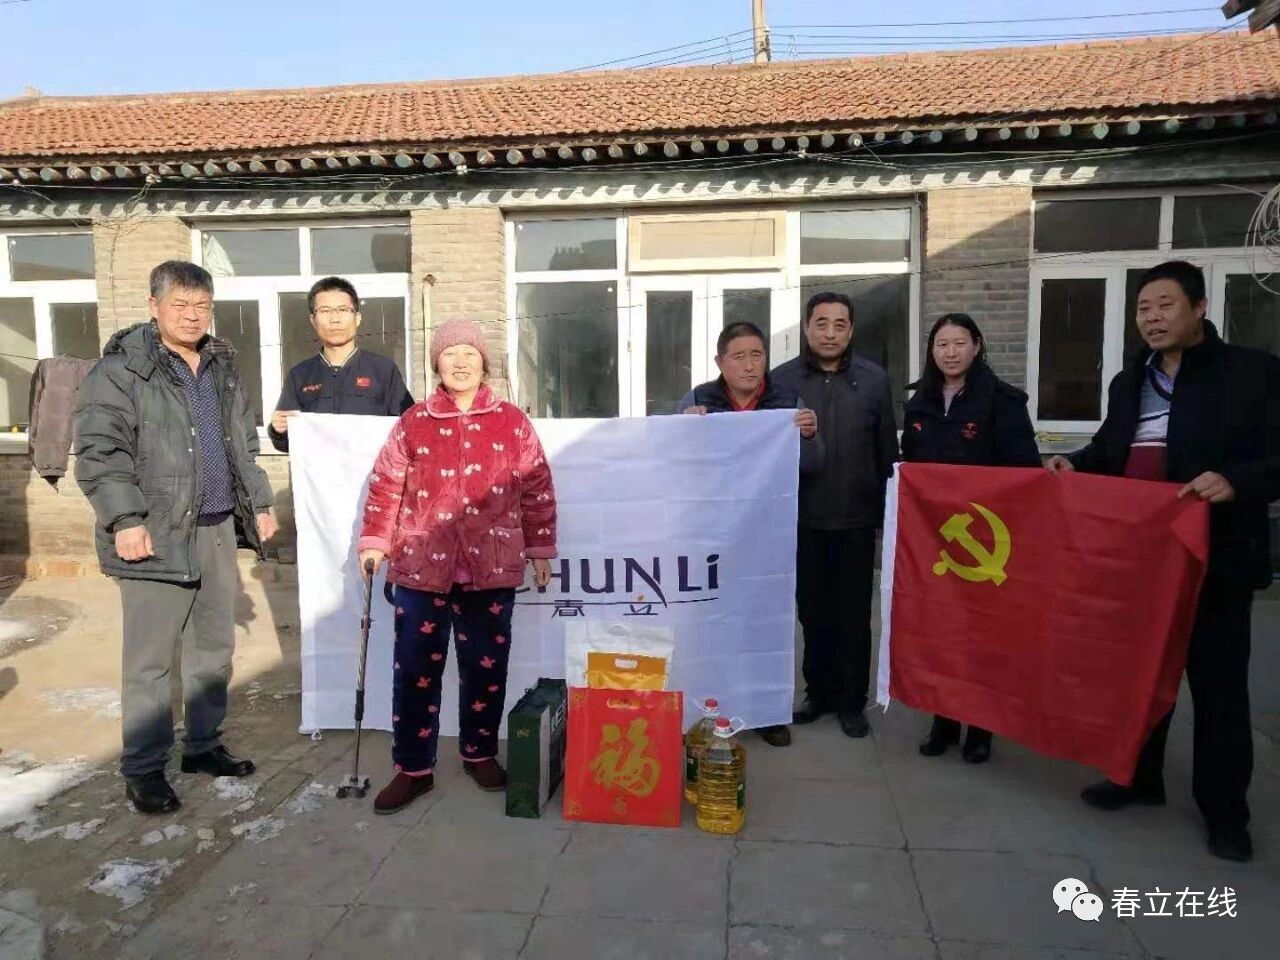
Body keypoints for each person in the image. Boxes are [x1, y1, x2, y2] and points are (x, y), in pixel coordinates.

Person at [1047, 260, 1280, 862]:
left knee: (1218, 688)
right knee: (1142, 676)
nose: (1152, 318)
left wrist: (1236, 480)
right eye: (1143, 309)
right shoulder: (1131, 381)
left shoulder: (1250, 374)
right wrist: (1075, 462)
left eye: (1165, 305)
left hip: (1214, 560)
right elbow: (1111, 449)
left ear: (1200, 307)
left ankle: (1225, 813)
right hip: (1141, 562)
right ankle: (1138, 777)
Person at [74, 261, 277, 814]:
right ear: (153, 306)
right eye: (180, 305)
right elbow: (100, 451)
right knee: (150, 662)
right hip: (154, 532)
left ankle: (203, 747)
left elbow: (242, 441)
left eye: (201, 306)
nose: (192, 316)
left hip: (215, 526)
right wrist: (125, 519)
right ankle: (143, 769)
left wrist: (259, 503)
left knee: (213, 651)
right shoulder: (121, 371)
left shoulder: (220, 365)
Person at [357, 318, 558, 814]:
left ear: (484, 362)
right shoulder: (415, 421)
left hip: (491, 567)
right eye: (450, 354)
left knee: (486, 669)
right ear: (437, 364)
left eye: (470, 352)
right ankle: (413, 768)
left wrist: (540, 549)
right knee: (414, 671)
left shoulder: (511, 421)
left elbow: (536, 486)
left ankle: (479, 752)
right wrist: (375, 541)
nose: (461, 362)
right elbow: (387, 484)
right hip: (421, 567)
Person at [901, 313, 1041, 764]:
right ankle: (943, 720)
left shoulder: (1003, 401)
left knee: (982, 634)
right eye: (942, 344)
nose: (951, 352)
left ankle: (981, 726)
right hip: (934, 540)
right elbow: (909, 468)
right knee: (940, 630)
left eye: (959, 343)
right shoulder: (919, 402)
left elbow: (1026, 472)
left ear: (977, 346)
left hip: (986, 540)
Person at [678, 320, 823, 748]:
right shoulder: (698, 400)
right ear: (720, 362)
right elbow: (670, 461)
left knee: (765, 625)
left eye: (756, 355)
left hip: (766, 537)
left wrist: (809, 436)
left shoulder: (787, 402)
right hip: (710, 536)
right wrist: (680, 427)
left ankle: (766, 711)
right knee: (709, 624)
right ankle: (708, 708)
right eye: (738, 356)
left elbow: (814, 465)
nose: (748, 365)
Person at [772, 291, 898, 738]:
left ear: (851, 330)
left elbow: (887, 452)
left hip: (856, 520)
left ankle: (851, 701)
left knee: (854, 616)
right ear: (807, 328)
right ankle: (818, 693)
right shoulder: (782, 381)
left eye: (839, 325)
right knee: (811, 613)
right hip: (802, 520)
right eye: (821, 324)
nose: (829, 333)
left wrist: (887, 518)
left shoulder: (875, 380)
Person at [268, 276, 414, 452]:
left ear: (357, 318)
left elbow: (409, 429)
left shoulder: (383, 370)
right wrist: (278, 431)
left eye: (343, 310)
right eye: (325, 311)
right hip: (319, 470)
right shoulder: (299, 376)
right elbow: (287, 443)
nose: (335, 319)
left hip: (372, 469)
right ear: (313, 320)